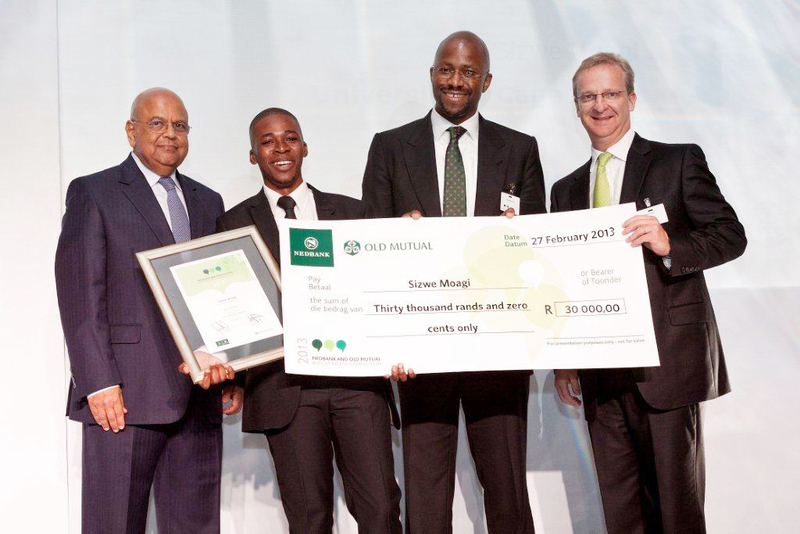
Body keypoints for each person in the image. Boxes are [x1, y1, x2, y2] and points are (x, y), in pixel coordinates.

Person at [551, 53, 746, 533]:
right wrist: (565, 357)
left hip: (668, 368)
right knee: (621, 513)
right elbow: (563, 277)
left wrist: (668, 245)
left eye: (611, 93)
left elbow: (730, 234)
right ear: (577, 107)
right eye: (589, 96)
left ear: (631, 99)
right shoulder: (566, 189)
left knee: (677, 512)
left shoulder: (677, 161)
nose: (601, 106)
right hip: (601, 373)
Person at [361, 31, 546, 533]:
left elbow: (536, 249)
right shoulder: (389, 148)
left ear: (486, 80)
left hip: (499, 349)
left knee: (506, 489)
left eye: (468, 72)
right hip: (422, 350)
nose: (456, 81)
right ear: (432, 74)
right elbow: (370, 249)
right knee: (425, 493)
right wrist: (397, 239)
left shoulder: (520, 149)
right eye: (447, 69)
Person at [55, 88, 239, 533]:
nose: (169, 135)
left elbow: (221, 293)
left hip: (198, 396)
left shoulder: (207, 200)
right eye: (156, 123)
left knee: (195, 526)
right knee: (113, 524)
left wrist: (236, 368)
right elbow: (80, 294)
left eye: (179, 126)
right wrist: (98, 383)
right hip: (123, 398)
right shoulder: (93, 192)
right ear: (131, 130)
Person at [217, 108, 402, 533]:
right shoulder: (232, 224)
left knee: (380, 512)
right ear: (252, 155)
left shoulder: (354, 214)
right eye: (267, 141)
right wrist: (231, 374)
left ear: (305, 147)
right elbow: (230, 306)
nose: (280, 148)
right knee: (309, 520)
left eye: (290, 138)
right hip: (285, 390)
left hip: (357, 385)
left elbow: (381, 289)